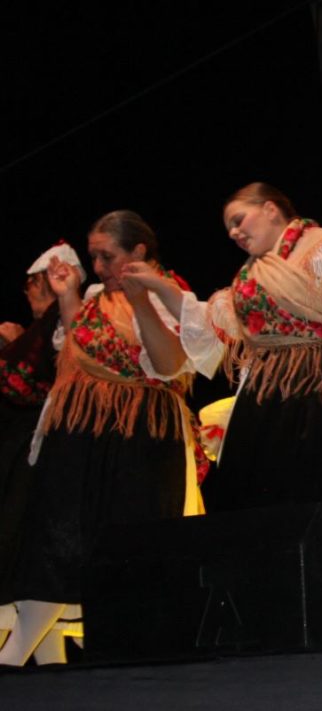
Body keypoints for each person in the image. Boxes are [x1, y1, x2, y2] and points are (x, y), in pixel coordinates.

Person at [126, 183, 322, 552]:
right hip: (268, 398)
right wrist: (158, 286)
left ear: (271, 209)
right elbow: (212, 320)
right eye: (229, 228)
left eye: (239, 219)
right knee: (268, 511)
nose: (234, 232)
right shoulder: (252, 275)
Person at [0, 212, 199, 666]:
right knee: (57, 530)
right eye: (94, 257)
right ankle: (41, 647)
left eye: (107, 256)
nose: (98, 267)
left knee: (128, 535)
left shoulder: (169, 295)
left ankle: (121, 642)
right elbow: (81, 348)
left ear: (138, 252)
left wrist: (141, 300)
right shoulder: (94, 297)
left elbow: (168, 365)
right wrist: (68, 294)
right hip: (82, 426)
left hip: (138, 429)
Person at [0, 244, 83, 607]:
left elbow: (59, 371)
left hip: (44, 439)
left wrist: (15, 344)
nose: (27, 292)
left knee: (21, 524)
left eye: (31, 283)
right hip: (21, 440)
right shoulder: (40, 327)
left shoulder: (63, 321)